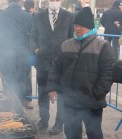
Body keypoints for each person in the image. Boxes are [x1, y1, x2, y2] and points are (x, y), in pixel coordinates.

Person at [47, 7, 116, 139]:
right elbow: (56, 68)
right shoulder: (66, 45)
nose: (78, 28)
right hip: (69, 100)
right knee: (71, 132)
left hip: (91, 101)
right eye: (76, 25)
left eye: (82, 26)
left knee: (94, 133)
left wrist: (96, 94)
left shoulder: (103, 46)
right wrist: (52, 87)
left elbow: (107, 75)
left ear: (90, 27)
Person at [29, 0, 73, 135]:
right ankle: (43, 120)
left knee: (62, 94)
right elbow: (32, 36)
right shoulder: (38, 16)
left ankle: (59, 123)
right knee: (42, 92)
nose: (54, 1)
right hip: (43, 62)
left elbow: (72, 37)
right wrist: (36, 49)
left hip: (62, 63)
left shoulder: (69, 16)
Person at [0, 0, 33, 108]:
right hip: (23, 55)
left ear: (8, 2)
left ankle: (10, 104)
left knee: (8, 80)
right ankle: (23, 104)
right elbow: (32, 36)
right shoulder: (28, 16)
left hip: (5, 56)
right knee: (23, 80)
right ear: (20, 2)